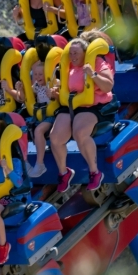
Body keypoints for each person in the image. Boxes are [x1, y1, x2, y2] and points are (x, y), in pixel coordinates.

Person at [50, 36, 115, 192]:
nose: (73, 57)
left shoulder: (98, 63)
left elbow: (108, 86)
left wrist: (93, 74)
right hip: (73, 104)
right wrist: (56, 93)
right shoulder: (69, 68)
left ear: (86, 53)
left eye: (76, 53)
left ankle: (94, 172)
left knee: (80, 133)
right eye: (70, 53)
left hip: (92, 105)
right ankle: (64, 173)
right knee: (55, 137)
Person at [24, 59, 58, 178]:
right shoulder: (36, 86)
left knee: (38, 130)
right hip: (39, 116)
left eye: (40, 74)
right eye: (35, 74)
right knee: (23, 128)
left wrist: (54, 94)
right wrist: (19, 88)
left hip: (52, 116)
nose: (37, 77)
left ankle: (40, 164)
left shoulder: (55, 83)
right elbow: (24, 97)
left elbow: (61, 98)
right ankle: (24, 161)